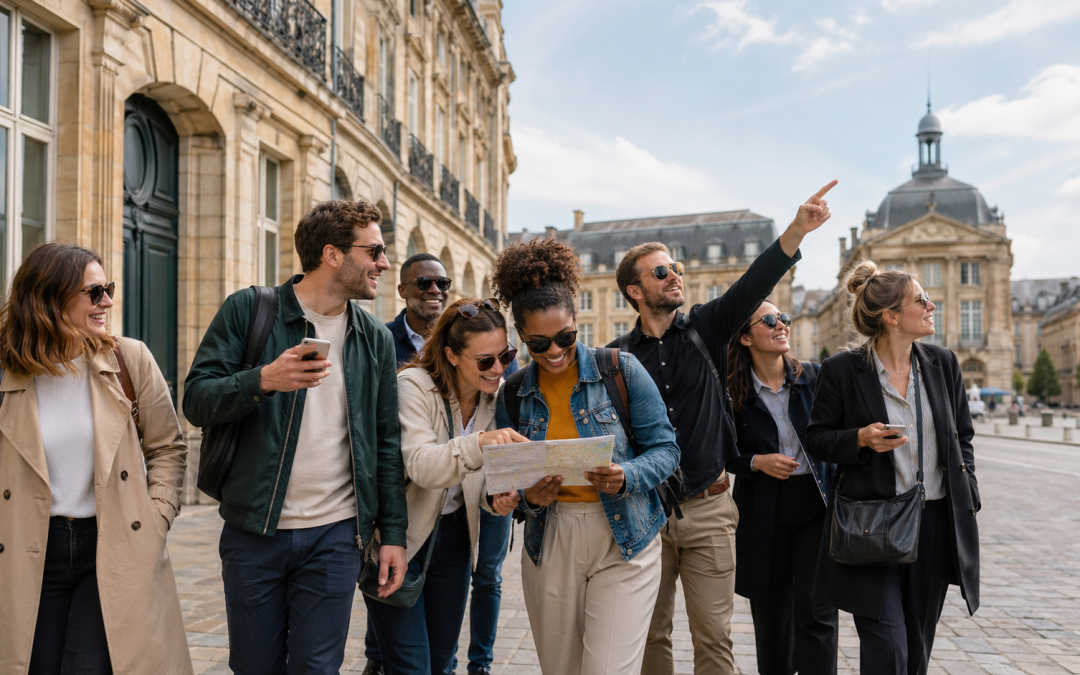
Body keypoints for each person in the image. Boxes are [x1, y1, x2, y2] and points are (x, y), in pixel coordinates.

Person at [611, 180, 837, 675]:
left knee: (714, 639)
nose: (676, 276)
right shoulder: (617, 358)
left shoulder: (705, 329)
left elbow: (753, 285)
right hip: (646, 511)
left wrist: (797, 230)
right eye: (663, 271)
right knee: (651, 636)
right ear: (635, 289)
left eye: (679, 269)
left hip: (710, 507)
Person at [183, 199, 409, 674]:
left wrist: (392, 535)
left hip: (335, 535)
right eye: (375, 251)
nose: (384, 264)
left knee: (317, 669)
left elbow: (387, 443)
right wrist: (262, 380)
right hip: (254, 533)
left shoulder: (374, 339)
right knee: (253, 667)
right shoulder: (250, 308)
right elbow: (197, 400)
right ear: (332, 254)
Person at [491, 237, 681, 675]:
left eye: (566, 338)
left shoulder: (621, 369)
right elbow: (506, 481)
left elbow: (667, 449)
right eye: (540, 344)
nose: (555, 352)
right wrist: (526, 497)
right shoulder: (516, 393)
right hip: (552, 536)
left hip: (626, 533)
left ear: (577, 322)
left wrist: (627, 473)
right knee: (562, 668)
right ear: (522, 336)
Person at [0, 243, 191, 675]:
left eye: (108, 288)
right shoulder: (8, 371)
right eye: (94, 292)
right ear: (49, 298)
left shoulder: (129, 358)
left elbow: (166, 448)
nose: (106, 300)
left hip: (112, 543)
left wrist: (155, 519)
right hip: (28, 549)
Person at [805, 261, 981, 675]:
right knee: (888, 646)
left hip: (935, 523)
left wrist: (968, 491)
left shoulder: (942, 363)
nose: (931, 304)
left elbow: (964, 437)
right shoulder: (842, 370)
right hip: (871, 524)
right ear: (891, 316)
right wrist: (860, 439)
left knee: (917, 647)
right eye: (921, 299)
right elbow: (815, 439)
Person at [365, 255, 518, 675]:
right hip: (402, 538)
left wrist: (497, 499)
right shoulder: (412, 386)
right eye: (485, 361)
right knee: (410, 667)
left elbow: (476, 482)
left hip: (453, 542)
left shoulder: (494, 395)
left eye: (505, 355)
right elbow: (422, 465)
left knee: (440, 665)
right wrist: (483, 442)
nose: (499, 369)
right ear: (451, 355)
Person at [726, 301, 838, 675]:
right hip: (762, 511)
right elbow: (722, 454)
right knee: (771, 618)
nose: (782, 325)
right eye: (770, 320)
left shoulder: (815, 377)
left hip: (815, 507)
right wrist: (757, 462)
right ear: (745, 337)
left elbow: (835, 437)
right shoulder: (731, 392)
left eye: (784, 318)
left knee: (817, 612)